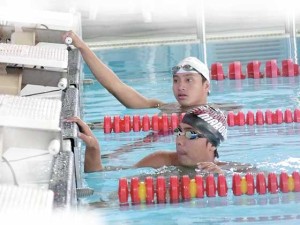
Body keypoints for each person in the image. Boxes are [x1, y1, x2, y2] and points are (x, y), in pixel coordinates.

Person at [63, 31, 241, 118]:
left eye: (189, 80)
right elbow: (116, 87)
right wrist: (82, 46)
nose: (181, 86)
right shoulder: (165, 108)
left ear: (206, 86)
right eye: (176, 80)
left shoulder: (222, 113)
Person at [66, 105, 253, 175]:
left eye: (191, 134)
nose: (179, 141)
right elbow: (100, 175)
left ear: (212, 144)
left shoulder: (234, 171)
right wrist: (94, 149)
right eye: (179, 132)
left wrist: (223, 179)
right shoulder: (160, 161)